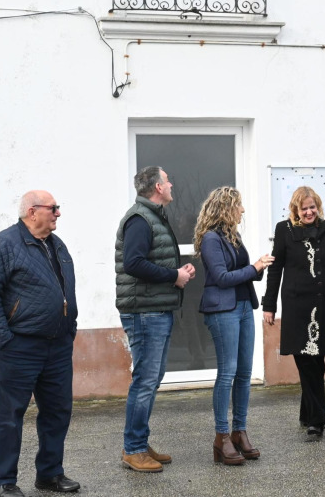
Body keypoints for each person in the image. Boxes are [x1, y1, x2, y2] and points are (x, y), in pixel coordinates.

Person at [0, 190, 81, 496]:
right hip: (20, 346)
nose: (58, 213)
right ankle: (4, 481)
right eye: (53, 208)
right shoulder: (5, 244)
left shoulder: (56, 245)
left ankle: (50, 474)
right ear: (32, 212)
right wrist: (3, 340)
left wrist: (69, 327)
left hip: (57, 345)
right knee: (10, 416)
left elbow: (64, 292)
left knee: (58, 411)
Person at [114, 166, 196, 473]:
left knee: (151, 378)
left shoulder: (152, 217)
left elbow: (147, 261)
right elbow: (134, 263)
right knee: (146, 381)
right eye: (167, 180)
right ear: (157, 188)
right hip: (144, 312)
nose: (172, 184)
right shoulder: (140, 219)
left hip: (155, 309)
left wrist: (177, 273)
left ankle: (138, 442)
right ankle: (133, 449)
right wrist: (173, 276)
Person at [195, 186, 274, 465]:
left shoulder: (234, 236)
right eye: (239, 206)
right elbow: (220, 276)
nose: (242, 210)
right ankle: (221, 437)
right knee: (227, 372)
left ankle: (240, 432)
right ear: (226, 207)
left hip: (242, 307)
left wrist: (260, 267)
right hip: (222, 310)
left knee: (244, 373)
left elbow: (243, 273)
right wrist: (253, 268)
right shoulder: (210, 239)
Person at [262, 186, 325, 438]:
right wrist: (269, 305)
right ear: (295, 209)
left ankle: (310, 415)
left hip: (321, 305)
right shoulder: (284, 230)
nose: (309, 212)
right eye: (304, 208)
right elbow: (275, 270)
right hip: (296, 306)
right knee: (304, 360)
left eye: (313, 207)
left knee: (316, 362)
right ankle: (315, 418)